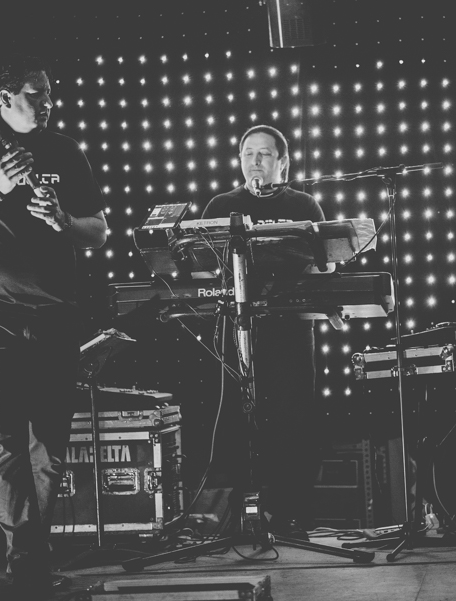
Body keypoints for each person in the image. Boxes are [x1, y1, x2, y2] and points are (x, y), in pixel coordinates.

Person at [0, 55, 107, 592]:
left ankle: (31, 554)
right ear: (5, 98)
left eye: (49, 92)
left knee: (49, 448)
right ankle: (27, 563)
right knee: (5, 444)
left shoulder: (66, 151)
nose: (48, 102)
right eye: (37, 94)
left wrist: (62, 219)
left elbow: (98, 231)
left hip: (55, 317)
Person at [201, 125, 329, 540]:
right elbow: (201, 263)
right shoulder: (222, 205)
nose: (255, 161)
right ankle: (244, 516)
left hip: (291, 328)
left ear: (283, 162)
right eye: (248, 153)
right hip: (237, 328)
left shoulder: (303, 205)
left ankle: (291, 514)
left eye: (265, 154)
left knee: (294, 417)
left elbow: (322, 263)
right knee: (238, 419)